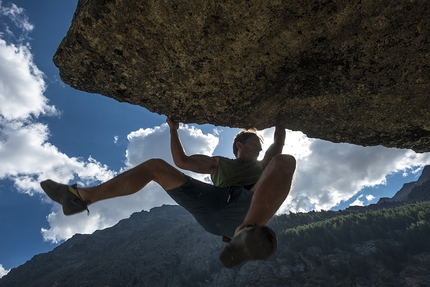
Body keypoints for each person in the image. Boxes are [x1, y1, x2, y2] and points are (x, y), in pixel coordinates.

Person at [40, 118, 296, 268]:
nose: (259, 149)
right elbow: (182, 162)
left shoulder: (262, 166)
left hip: (245, 209)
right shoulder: (217, 163)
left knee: (285, 161)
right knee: (155, 167)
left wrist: (281, 114)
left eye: (260, 146)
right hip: (213, 206)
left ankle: (247, 233)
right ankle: (82, 197)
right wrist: (173, 129)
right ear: (239, 145)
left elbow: (279, 143)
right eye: (255, 143)